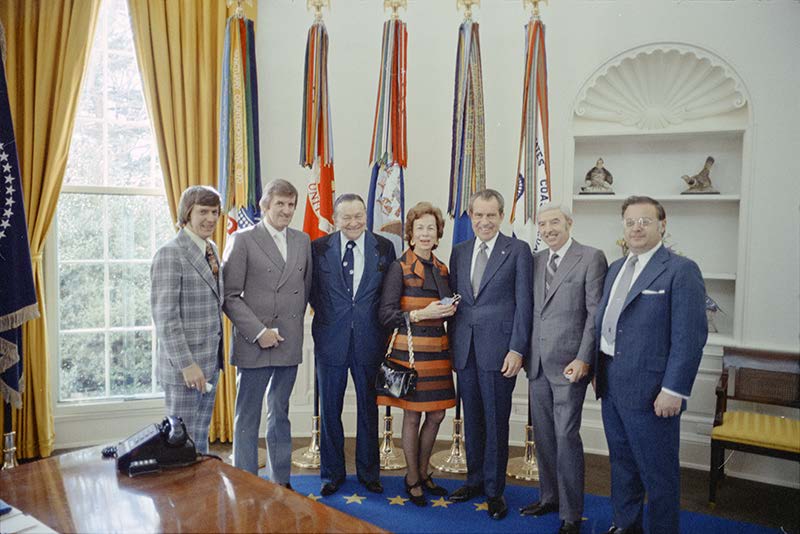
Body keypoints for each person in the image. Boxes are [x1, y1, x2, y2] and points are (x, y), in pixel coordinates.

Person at [595, 196, 707, 534]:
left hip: (653, 393)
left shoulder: (681, 270)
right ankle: (626, 525)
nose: (636, 227)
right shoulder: (615, 268)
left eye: (645, 220)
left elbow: (690, 338)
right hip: (611, 383)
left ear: (662, 224)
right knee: (622, 465)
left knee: (658, 474)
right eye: (630, 222)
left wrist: (673, 389)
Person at [520, 203, 608, 534]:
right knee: (543, 436)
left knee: (565, 436)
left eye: (554, 222)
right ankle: (549, 498)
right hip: (538, 364)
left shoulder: (590, 257)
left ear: (569, 223)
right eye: (542, 224)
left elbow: (593, 313)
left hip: (571, 365)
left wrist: (584, 358)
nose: (548, 229)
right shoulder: (536, 260)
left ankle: (571, 515)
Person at [447, 189, 533, 520]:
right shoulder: (459, 251)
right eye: (478, 215)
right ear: (470, 216)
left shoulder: (518, 251)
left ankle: (495, 491)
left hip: (500, 352)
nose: (484, 221)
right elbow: (458, 301)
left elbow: (524, 303)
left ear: (501, 216)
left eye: (491, 215)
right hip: (465, 350)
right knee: (472, 419)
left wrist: (517, 349)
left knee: (496, 420)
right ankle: (475, 480)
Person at [222, 179, 312, 488]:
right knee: (247, 418)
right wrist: (259, 332)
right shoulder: (242, 239)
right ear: (264, 206)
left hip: (288, 341)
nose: (286, 211)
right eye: (280, 205)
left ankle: (281, 482)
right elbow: (230, 296)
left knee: (280, 413)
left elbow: (306, 290)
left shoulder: (302, 241)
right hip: (254, 341)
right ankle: (246, 484)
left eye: (291, 205)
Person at [310, 193, 397, 496]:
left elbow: (390, 293)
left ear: (366, 215)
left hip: (370, 341)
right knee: (329, 408)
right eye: (346, 217)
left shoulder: (384, 247)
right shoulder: (318, 248)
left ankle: (368, 473)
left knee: (368, 409)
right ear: (335, 219)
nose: (354, 222)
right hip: (330, 340)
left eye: (359, 215)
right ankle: (332, 474)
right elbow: (311, 291)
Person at [376, 202, 457, 507]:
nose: (425, 233)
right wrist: (420, 315)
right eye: (420, 228)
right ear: (410, 234)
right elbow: (385, 314)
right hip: (410, 352)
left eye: (431, 228)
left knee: (437, 414)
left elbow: (443, 308)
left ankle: (423, 473)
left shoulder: (442, 268)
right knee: (412, 415)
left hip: (437, 351)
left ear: (438, 235)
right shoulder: (399, 267)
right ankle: (412, 478)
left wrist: (449, 309)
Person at [151, 185, 224, 454]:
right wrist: (187, 365)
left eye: (214, 212)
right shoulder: (170, 253)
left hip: (209, 363)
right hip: (185, 369)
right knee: (180, 444)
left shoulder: (211, 249)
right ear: (187, 214)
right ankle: (179, 496)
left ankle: (199, 494)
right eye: (203, 211)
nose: (210, 218)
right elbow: (165, 318)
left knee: (199, 440)